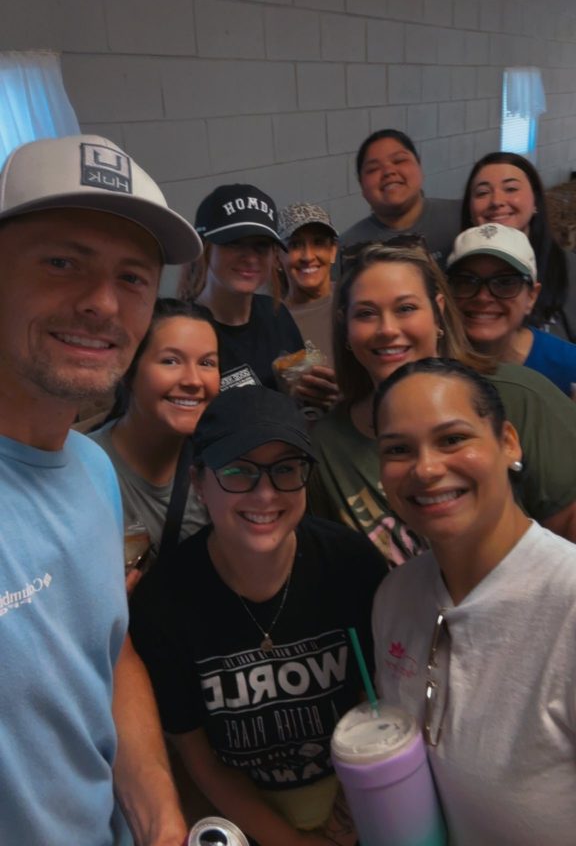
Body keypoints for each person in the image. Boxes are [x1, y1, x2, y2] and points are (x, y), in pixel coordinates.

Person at [0, 133, 196, 846]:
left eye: (133, 277)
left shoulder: (92, 470)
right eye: (62, 262)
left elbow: (110, 656)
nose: (103, 304)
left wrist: (162, 822)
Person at [130, 386, 387, 846]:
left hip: (365, 805)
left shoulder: (352, 566)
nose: (265, 493)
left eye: (285, 469)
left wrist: (356, 810)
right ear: (199, 482)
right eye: (238, 471)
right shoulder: (163, 603)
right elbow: (199, 756)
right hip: (247, 822)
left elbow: (382, 706)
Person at [372, 358, 576, 846]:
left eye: (452, 439)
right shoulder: (395, 598)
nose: (426, 468)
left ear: (508, 442)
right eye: (398, 449)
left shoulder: (567, 601)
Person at [308, 242, 576, 559]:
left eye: (406, 308)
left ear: (438, 312)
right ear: (346, 326)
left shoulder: (519, 397)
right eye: (366, 313)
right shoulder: (327, 444)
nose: (387, 329)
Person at [90, 298, 220, 555]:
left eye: (207, 363)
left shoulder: (220, 466)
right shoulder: (83, 470)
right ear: (128, 370)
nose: (194, 381)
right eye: (171, 361)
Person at [178, 183, 304, 391]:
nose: (251, 258)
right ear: (205, 247)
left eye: (261, 245)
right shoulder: (181, 330)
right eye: (234, 242)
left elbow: (302, 389)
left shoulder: (276, 314)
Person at [447, 224, 576, 396]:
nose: (483, 297)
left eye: (505, 282)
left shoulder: (569, 367)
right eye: (467, 281)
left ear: (531, 297)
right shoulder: (432, 361)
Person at [461, 151, 576, 341]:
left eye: (511, 189)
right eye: (482, 193)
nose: (496, 201)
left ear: (535, 201)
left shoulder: (569, 268)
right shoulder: (454, 271)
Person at [340, 129, 460, 268]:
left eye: (399, 160)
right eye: (373, 169)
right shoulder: (345, 250)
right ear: (361, 185)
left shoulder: (462, 216)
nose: (388, 171)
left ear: (419, 167)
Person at [277, 202, 338, 364]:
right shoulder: (272, 323)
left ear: (333, 251)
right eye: (295, 245)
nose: (308, 256)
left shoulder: (355, 299)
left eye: (318, 242)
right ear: (277, 257)